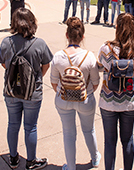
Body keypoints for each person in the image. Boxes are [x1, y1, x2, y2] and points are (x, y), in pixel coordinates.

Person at [0, 8, 53, 170]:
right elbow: (46, 65)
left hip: (11, 90)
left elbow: (3, 63)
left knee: (13, 124)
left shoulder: (6, 42)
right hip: (32, 92)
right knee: (31, 127)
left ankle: (13, 158)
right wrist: (35, 78)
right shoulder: (39, 43)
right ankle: (31, 161)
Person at [50, 17, 101, 170]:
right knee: (89, 129)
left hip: (63, 100)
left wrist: (65, 91)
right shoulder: (89, 56)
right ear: (83, 36)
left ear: (67, 35)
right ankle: (95, 158)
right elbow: (95, 82)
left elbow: (54, 82)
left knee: (68, 133)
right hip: (85, 99)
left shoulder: (58, 56)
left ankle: (71, 166)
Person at [98, 13, 134, 170]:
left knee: (109, 141)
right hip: (130, 101)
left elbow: (102, 67)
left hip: (108, 101)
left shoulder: (105, 49)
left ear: (116, 27)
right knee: (128, 139)